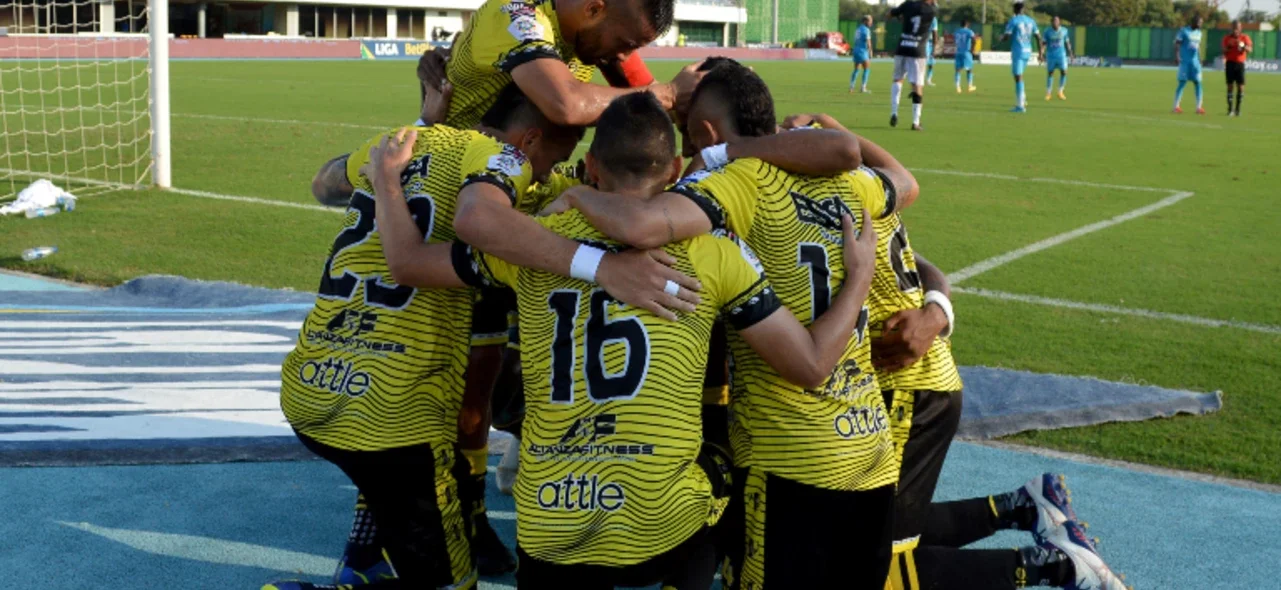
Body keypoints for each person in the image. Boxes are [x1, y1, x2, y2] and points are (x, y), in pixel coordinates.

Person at [364, 91, 882, 590]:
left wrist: (389, 180)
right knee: (725, 460)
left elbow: (408, 263)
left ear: (590, 170)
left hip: (552, 523)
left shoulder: (529, 240)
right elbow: (812, 365)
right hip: (662, 526)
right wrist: (860, 277)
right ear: (677, 173)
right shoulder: (713, 252)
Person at [554, 60, 919, 588]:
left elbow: (639, 226)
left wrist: (581, 194)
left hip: (789, 455)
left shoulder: (735, 183)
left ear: (704, 134)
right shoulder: (847, 182)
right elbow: (904, 182)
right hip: (869, 451)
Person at [264, 85, 588, 590]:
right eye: (553, 159)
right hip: (395, 414)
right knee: (451, 579)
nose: (546, 173)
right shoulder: (506, 162)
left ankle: (365, 562)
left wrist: (400, 156)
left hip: (311, 383)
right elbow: (477, 223)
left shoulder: (405, 141)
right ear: (526, 140)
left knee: (385, 486)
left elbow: (324, 183)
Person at [445, 0, 702, 129]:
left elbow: (658, 103)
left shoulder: (600, 40)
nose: (625, 56)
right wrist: (669, 93)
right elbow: (566, 104)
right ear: (592, 9)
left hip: (515, 173)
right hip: (454, 176)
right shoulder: (515, 14)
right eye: (625, 43)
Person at [889, 0, 938, 130]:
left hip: (902, 46)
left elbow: (890, 15)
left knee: (897, 80)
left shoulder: (907, 5)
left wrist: (901, 17)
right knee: (917, 86)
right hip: (918, 49)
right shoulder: (932, 11)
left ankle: (894, 112)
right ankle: (915, 122)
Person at [1000, 1, 1040, 113]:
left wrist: (1001, 38)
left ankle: (1020, 106)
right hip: (1028, 51)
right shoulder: (1031, 21)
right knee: (1019, 76)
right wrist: (1041, 53)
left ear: (1014, 10)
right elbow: (1038, 37)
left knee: (1018, 77)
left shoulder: (1013, 21)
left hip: (1018, 51)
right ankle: (1023, 99)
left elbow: (1007, 36)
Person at [1173, 16, 1206, 115]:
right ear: (1194, 22)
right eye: (1199, 22)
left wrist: (1200, 58)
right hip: (1185, 61)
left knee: (1198, 83)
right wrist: (1177, 56)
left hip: (1195, 62)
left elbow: (1198, 46)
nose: (1200, 25)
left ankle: (1199, 107)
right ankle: (1176, 106)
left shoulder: (1199, 33)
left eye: (1201, 23)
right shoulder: (1184, 31)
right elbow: (1177, 44)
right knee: (1182, 83)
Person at [1222, 20, 1251, 117]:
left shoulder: (1244, 37)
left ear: (1240, 28)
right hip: (1230, 63)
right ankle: (1230, 109)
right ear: (1231, 28)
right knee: (1230, 86)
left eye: (1237, 28)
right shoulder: (1227, 38)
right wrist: (1229, 46)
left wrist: (1243, 46)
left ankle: (1238, 109)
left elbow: (1250, 49)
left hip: (1240, 64)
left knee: (1241, 86)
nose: (1235, 30)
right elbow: (1223, 50)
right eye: (1234, 28)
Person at [1041, 15, 1071, 101]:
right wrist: (1041, 53)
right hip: (1051, 55)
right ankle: (1048, 93)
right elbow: (1043, 43)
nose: (1055, 22)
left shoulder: (1064, 31)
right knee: (1050, 73)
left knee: (1064, 72)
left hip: (1061, 55)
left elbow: (1067, 42)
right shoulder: (1047, 31)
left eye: (1057, 21)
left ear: (1059, 22)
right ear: (1051, 22)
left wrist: (1070, 52)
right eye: (1053, 21)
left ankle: (1060, 91)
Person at [850, 15, 874, 94]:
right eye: (870, 21)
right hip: (862, 51)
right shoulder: (866, 30)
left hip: (856, 50)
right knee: (866, 69)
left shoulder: (858, 29)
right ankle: (863, 88)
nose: (871, 23)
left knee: (856, 69)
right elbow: (868, 42)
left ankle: (851, 87)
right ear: (865, 21)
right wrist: (870, 52)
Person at [952, 20, 977, 93]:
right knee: (969, 69)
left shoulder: (956, 32)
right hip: (966, 52)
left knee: (958, 70)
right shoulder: (969, 31)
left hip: (958, 52)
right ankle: (970, 86)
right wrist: (972, 49)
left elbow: (955, 41)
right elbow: (974, 40)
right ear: (967, 24)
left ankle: (957, 87)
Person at [924, 16, 940, 86]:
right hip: (925, 42)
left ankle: (929, 80)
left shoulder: (933, 18)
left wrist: (934, 47)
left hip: (931, 42)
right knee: (923, 62)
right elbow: (934, 32)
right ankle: (920, 79)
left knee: (931, 63)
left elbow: (935, 33)